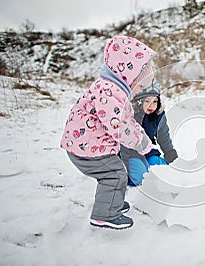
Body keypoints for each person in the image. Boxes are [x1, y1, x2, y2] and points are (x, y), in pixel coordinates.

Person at [60, 35, 156, 229]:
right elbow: (119, 126)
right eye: (140, 84)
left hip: (87, 144)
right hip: (86, 149)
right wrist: (139, 142)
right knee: (115, 175)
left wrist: (142, 137)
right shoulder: (109, 92)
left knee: (116, 170)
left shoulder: (114, 89)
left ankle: (113, 202)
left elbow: (127, 120)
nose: (140, 90)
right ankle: (105, 214)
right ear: (128, 74)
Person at [120, 78, 178, 186]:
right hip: (130, 154)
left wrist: (171, 155)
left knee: (163, 171)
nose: (151, 105)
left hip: (148, 152)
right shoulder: (130, 115)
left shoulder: (158, 116)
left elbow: (163, 137)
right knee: (142, 178)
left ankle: (169, 191)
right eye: (147, 101)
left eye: (155, 101)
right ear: (139, 101)